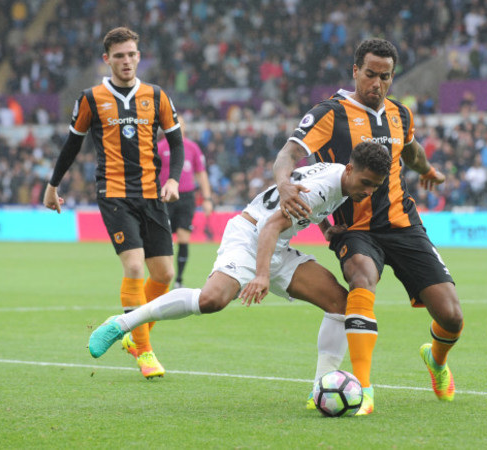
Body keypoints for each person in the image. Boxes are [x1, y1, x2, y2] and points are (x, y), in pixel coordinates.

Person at [88, 142, 392, 416]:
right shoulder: (326, 187)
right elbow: (271, 226)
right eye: (365, 183)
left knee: (340, 303)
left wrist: (325, 229)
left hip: (277, 246)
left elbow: (304, 205)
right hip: (250, 236)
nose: (368, 191)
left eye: (375, 187)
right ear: (351, 170)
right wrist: (261, 276)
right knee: (212, 300)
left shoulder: (342, 178)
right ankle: (121, 324)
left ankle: (320, 388)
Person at [273, 38, 464, 411]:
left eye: (386, 76)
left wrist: (427, 170)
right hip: (354, 228)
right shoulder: (330, 113)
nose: (377, 83)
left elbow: (409, 149)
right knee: (361, 277)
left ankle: (436, 361)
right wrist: (284, 182)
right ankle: (363, 388)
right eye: (371, 74)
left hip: (403, 224)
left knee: (451, 315)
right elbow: (290, 151)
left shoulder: (399, 114)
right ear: (356, 71)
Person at [43, 27, 185, 379]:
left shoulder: (157, 95)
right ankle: (146, 352)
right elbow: (72, 144)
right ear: (107, 60)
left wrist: (172, 179)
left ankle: (134, 333)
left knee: (165, 274)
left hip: (152, 194)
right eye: (118, 55)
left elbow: (177, 142)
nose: (126, 61)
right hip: (115, 193)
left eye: (131, 54)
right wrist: (52, 185)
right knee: (134, 267)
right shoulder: (91, 98)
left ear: (139, 56)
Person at [158, 117, 213, 289]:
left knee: (183, 237)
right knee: (165, 240)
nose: (178, 128)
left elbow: (201, 173)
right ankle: (164, 275)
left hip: (187, 197)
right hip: (165, 197)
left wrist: (207, 198)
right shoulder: (160, 147)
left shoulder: (192, 148)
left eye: (181, 124)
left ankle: (179, 280)